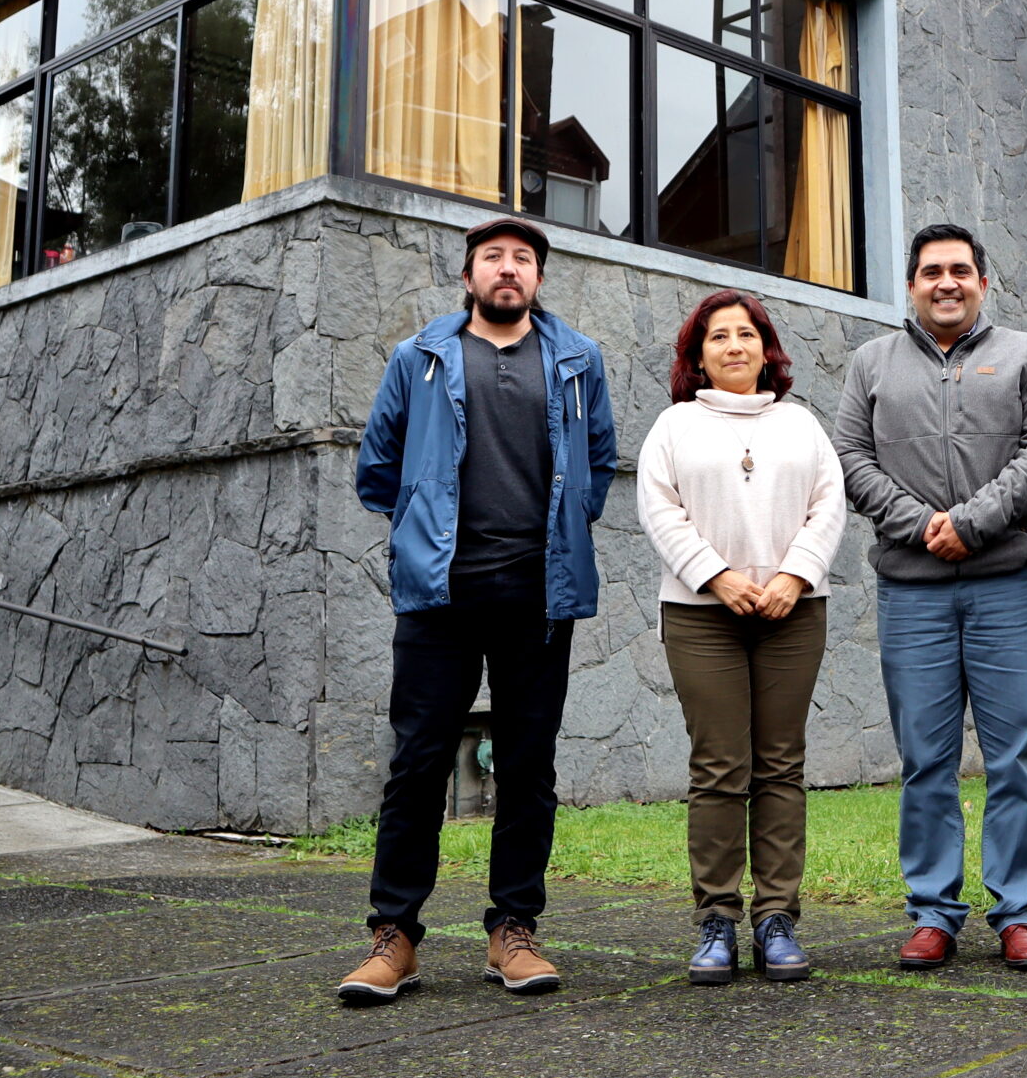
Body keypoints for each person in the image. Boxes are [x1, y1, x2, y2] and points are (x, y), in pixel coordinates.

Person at [338, 218, 618, 1004]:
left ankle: (513, 930)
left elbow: (598, 461)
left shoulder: (576, 360)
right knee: (417, 764)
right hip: (440, 596)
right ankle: (394, 937)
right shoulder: (419, 358)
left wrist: (564, 523)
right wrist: (424, 516)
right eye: (494, 257)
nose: (508, 269)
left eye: (523, 259)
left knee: (529, 766)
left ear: (537, 278)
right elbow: (377, 469)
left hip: (540, 594)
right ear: (468, 275)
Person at [835, 224, 1027, 972]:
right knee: (925, 760)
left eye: (961, 270)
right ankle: (933, 912)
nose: (946, 282)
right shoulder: (871, 361)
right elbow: (850, 457)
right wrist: (922, 527)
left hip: (1008, 586)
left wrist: (971, 524)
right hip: (913, 593)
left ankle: (1019, 913)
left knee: (1016, 757)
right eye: (931, 271)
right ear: (910, 285)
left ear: (983, 283)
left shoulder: (1026, 354)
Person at [637, 290, 846, 986]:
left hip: (794, 610)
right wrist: (717, 575)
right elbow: (659, 510)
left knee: (781, 763)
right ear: (697, 355)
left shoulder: (801, 425)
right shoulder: (674, 426)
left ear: (767, 349)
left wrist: (794, 574)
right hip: (702, 613)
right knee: (720, 764)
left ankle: (776, 919)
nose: (733, 345)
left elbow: (828, 504)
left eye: (746, 334)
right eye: (718, 335)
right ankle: (718, 921)